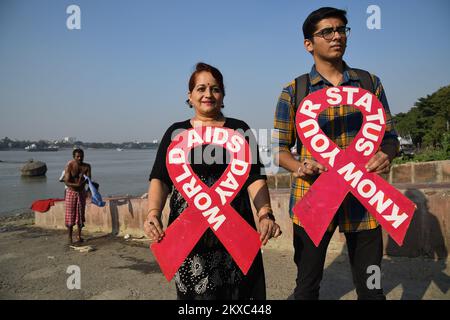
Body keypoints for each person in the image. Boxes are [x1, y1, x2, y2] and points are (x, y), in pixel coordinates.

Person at [272, 7, 400, 300]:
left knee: (372, 289)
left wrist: (387, 154)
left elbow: (390, 138)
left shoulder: (370, 84)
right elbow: (278, 150)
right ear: (309, 44)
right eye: (326, 32)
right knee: (306, 287)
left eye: (342, 29)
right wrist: (298, 166)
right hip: (313, 200)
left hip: (365, 201)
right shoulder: (294, 91)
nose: (337, 36)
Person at [144, 62, 282, 300]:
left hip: (235, 232)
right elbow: (160, 178)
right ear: (189, 96)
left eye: (215, 88)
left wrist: (265, 213)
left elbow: (255, 178)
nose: (208, 94)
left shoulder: (240, 129)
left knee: (240, 296)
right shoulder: (176, 133)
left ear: (223, 95)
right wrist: (153, 213)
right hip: (190, 237)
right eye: (201, 88)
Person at [64, 148, 91, 245]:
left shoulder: (87, 166)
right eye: (78, 157)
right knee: (70, 215)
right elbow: (66, 181)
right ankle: (69, 237)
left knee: (80, 215)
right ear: (74, 157)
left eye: (81, 156)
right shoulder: (70, 166)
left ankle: (79, 236)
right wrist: (77, 185)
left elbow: (89, 181)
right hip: (71, 192)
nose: (80, 158)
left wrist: (90, 190)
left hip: (81, 193)